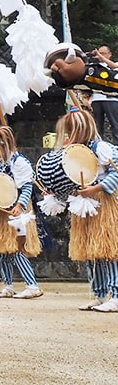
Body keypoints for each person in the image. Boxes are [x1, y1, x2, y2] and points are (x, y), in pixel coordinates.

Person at [49, 109, 118, 311]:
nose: (70, 134)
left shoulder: (102, 148)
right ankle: (98, 294)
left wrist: (96, 188)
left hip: (103, 204)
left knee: (108, 250)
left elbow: (116, 172)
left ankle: (116, 295)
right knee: (90, 250)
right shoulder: (72, 151)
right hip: (82, 204)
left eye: (73, 130)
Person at [0, 125, 43, 299]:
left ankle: (32, 285)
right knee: (2, 250)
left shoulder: (19, 162)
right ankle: (7, 285)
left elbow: (27, 185)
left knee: (16, 248)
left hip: (17, 213)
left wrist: (20, 205)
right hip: (1, 212)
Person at [89, 46, 118, 140]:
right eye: (99, 53)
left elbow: (114, 66)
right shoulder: (94, 66)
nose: (100, 55)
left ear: (110, 54)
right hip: (96, 98)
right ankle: (98, 145)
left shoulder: (114, 65)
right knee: (97, 126)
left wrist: (102, 58)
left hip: (111, 99)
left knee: (115, 124)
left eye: (103, 53)